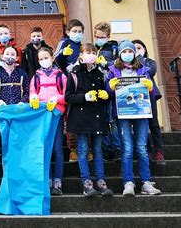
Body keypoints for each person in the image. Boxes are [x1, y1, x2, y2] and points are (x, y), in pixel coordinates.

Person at [106, 40, 162, 196]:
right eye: (124, 51)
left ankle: (146, 182)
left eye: (130, 51)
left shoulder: (143, 70)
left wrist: (150, 87)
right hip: (122, 114)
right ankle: (128, 182)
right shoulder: (113, 70)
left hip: (141, 113)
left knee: (142, 148)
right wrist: (110, 87)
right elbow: (108, 94)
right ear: (120, 53)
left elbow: (149, 92)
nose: (127, 54)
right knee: (127, 148)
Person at [66, 43, 114, 197]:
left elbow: (105, 97)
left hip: (98, 116)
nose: (91, 54)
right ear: (81, 55)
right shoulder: (74, 73)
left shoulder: (100, 72)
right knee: (83, 149)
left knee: (98, 150)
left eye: (93, 52)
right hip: (80, 118)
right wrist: (84, 97)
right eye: (87, 52)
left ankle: (101, 181)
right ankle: (86, 182)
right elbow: (68, 96)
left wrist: (106, 96)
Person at [29, 47, 67, 195]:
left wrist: (56, 99)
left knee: (57, 148)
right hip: (42, 116)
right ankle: (47, 179)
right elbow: (33, 92)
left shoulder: (60, 76)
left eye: (46, 57)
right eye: (41, 59)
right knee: (45, 148)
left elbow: (67, 95)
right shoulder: (36, 77)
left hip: (56, 114)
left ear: (52, 58)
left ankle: (58, 180)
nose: (44, 61)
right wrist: (33, 98)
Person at [54, 19, 85, 162]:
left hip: (83, 86)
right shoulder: (64, 43)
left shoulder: (84, 46)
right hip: (68, 86)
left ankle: (85, 149)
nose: (77, 34)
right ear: (68, 32)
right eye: (74, 31)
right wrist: (62, 55)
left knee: (82, 117)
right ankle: (73, 149)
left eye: (80, 31)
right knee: (70, 117)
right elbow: (54, 61)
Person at [133, 39, 166, 165]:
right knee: (141, 124)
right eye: (134, 48)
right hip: (137, 96)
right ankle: (147, 151)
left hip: (150, 95)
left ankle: (159, 151)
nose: (136, 50)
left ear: (144, 49)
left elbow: (151, 71)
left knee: (153, 123)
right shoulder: (129, 64)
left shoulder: (149, 61)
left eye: (139, 47)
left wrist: (139, 59)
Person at [94, 22, 121, 162]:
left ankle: (116, 148)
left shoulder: (114, 48)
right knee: (102, 119)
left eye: (101, 36)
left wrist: (107, 64)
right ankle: (105, 148)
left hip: (110, 87)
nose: (98, 39)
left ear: (108, 36)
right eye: (96, 36)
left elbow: (119, 66)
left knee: (112, 120)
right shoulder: (93, 48)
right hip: (97, 87)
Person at [0, 46, 29, 133]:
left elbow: (27, 91)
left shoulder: (22, 74)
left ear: (17, 58)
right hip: (3, 112)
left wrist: (22, 102)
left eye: (12, 54)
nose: (9, 56)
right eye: (7, 54)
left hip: (18, 112)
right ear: (2, 56)